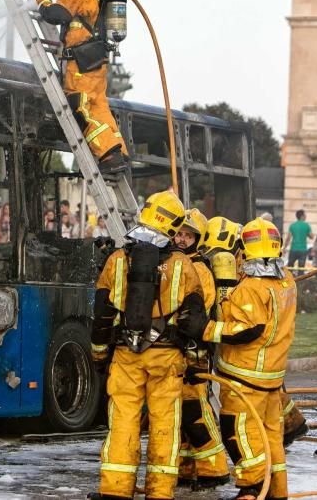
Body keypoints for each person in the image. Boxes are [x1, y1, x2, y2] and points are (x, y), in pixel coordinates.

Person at [89, 191, 207, 500]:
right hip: (167, 359)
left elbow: (102, 314)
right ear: (173, 226)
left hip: (126, 356)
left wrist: (100, 355)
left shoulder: (117, 260)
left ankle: (115, 490)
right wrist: (197, 362)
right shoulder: (182, 265)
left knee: (123, 422)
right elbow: (194, 321)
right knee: (164, 424)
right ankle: (159, 492)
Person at [201, 217, 296, 500]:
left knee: (240, 432)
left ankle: (252, 488)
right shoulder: (287, 279)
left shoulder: (252, 287)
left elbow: (247, 330)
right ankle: (276, 491)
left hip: (245, 376)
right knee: (270, 436)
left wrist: (205, 329)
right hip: (271, 376)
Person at [36, 0, 128, 175]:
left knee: (81, 106)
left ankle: (107, 154)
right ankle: (117, 151)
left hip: (81, 61)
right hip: (95, 59)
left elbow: (57, 14)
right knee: (99, 106)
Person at [174, 209, 230, 490]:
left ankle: (214, 469)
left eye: (188, 235)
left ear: (198, 239)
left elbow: (198, 315)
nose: (182, 239)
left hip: (192, 350)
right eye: (179, 233)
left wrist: (195, 354)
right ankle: (187, 469)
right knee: (181, 414)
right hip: (173, 348)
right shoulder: (173, 263)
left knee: (195, 411)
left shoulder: (200, 270)